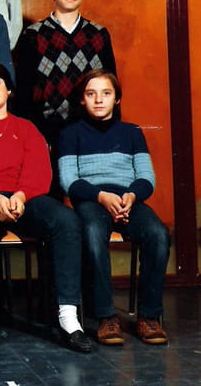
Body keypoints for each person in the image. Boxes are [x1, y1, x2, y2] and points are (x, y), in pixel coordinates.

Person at [0, 61, 91, 355]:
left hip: (22, 198)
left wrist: (21, 195)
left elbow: (40, 172)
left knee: (66, 220)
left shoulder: (25, 127)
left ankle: (68, 317)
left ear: (9, 90)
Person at [58, 70, 170, 345]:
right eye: (91, 94)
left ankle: (149, 316)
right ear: (82, 100)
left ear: (117, 99)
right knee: (93, 235)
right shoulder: (70, 134)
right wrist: (101, 197)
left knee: (158, 234)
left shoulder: (132, 133)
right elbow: (68, 180)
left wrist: (131, 196)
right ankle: (106, 317)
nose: (99, 100)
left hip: (128, 200)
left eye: (106, 93)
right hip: (92, 200)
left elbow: (146, 177)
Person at [16, 0, 117, 148]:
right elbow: (24, 93)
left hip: (91, 129)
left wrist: (110, 130)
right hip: (46, 131)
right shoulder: (33, 35)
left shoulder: (98, 35)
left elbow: (112, 87)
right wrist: (33, 136)